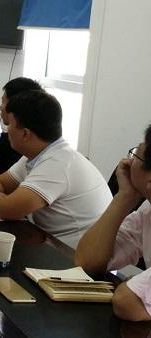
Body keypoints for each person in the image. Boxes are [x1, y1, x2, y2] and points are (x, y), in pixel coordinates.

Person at [0, 90, 111, 248]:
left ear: (25, 134)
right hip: (45, 241)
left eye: (9, 125)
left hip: (71, 255)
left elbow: (8, 209)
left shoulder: (58, 163)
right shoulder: (39, 154)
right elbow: (1, 184)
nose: (6, 130)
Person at [75, 125, 151, 321]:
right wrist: (125, 197)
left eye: (136, 154)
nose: (128, 161)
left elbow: (127, 303)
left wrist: (133, 285)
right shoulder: (147, 210)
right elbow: (87, 262)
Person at [0, 77, 43, 179]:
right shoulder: (36, 141)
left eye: (3, 102)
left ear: (16, 105)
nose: (0, 107)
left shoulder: (15, 142)